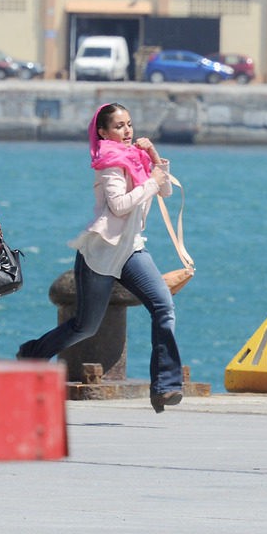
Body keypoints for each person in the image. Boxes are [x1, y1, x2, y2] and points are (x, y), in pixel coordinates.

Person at [18, 103, 185, 413]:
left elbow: (165, 193)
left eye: (129, 124)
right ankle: (32, 353)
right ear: (104, 132)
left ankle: (165, 385)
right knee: (85, 326)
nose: (127, 131)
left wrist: (153, 159)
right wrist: (152, 179)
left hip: (132, 250)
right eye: (119, 126)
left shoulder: (136, 159)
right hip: (102, 252)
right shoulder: (108, 163)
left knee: (164, 307)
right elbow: (120, 205)